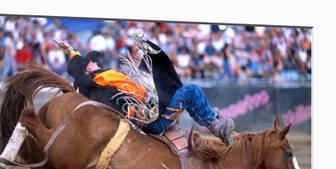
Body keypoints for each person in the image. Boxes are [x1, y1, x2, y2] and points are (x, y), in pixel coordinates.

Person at [56, 36, 235, 145]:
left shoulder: (92, 82)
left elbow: (81, 76)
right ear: (88, 68)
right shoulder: (102, 78)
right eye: (91, 62)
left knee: (180, 91)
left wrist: (71, 52)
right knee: (190, 90)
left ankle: (210, 120)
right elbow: (134, 96)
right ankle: (214, 124)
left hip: (144, 117)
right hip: (150, 120)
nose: (95, 61)